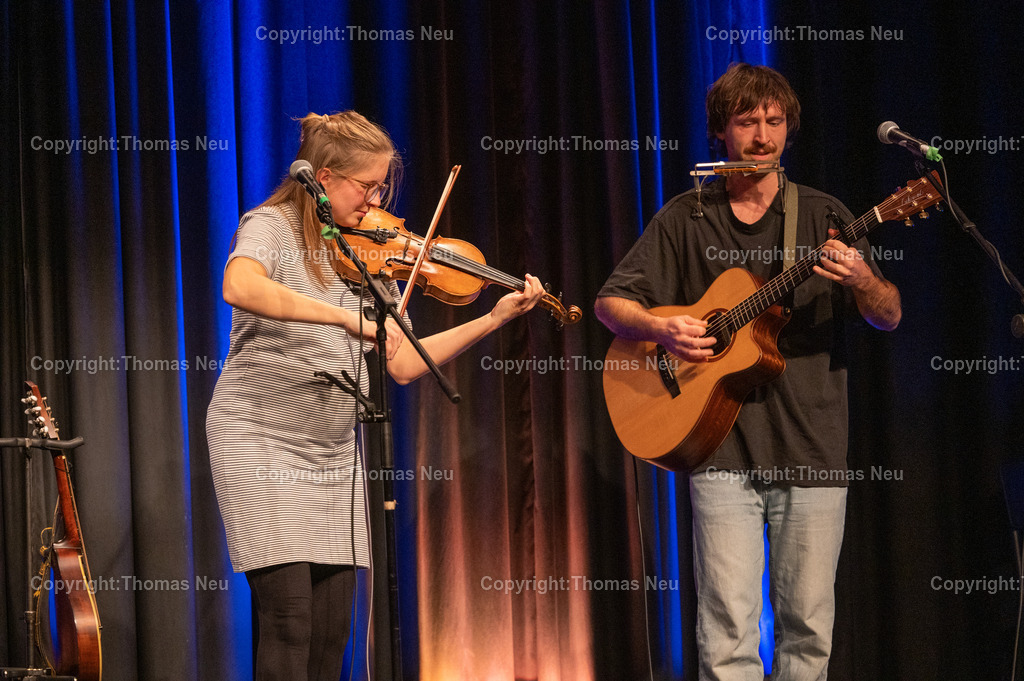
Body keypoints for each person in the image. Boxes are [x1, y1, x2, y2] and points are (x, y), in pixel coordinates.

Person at [206, 110, 543, 681]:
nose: (375, 201)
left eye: (382, 187)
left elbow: (405, 361)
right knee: (289, 618)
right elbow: (238, 285)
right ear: (326, 176)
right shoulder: (273, 225)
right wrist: (341, 317)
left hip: (331, 451)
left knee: (333, 627)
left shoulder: (368, 255)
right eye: (367, 187)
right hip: (257, 439)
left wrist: (493, 318)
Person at [595, 64, 901, 680]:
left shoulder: (823, 216)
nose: (762, 135)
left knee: (808, 631)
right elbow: (610, 303)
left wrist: (865, 280)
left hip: (811, 449)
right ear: (721, 133)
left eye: (774, 120)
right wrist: (661, 327)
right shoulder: (687, 216)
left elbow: (889, 316)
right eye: (746, 122)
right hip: (719, 451)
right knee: (726, 631)